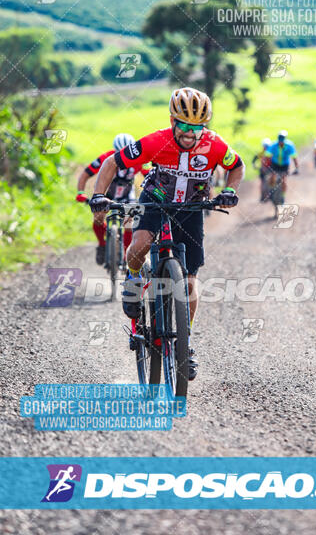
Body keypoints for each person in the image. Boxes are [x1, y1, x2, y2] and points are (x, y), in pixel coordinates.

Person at [89, 87, 245, 380]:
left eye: (197, 127)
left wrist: (229, 190)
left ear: (205, 126)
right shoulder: (156, 141)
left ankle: (185, 345)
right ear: (173, 121)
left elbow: (237, 166)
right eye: (184, 126)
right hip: (155, 200)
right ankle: (134, 278)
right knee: (141, 244)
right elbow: (112, 163)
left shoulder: (214, 145)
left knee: (188, 282)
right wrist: (98, 195)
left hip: (192, 207)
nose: (190, 133)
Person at [76, 133, 148, 266]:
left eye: (127, 153)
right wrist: (81, 192)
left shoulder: (139, 159)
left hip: (127, 194)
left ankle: (127, 256)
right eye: (120, 153)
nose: (124, 157)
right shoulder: (105, 158)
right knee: (98, 217)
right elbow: (85, 174)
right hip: (107, 193)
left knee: (128, 224)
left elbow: (148, 175)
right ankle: (102, 244)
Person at [265, 130, 299, 199]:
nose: (281, 141)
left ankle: (282, 196)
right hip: (275, 164)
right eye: (280, 139)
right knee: (272, 177)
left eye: (282, 139)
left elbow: (294, 158)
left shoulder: (289, 146)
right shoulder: (273, 145)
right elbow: (267, 156)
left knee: (283, 180)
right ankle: (271, 191)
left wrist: (296, 168)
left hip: (284, 165)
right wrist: (267, 166)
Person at [252, 137, 272, 202]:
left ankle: (264, 196)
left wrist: (254, 165)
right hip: (267, 170)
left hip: (265, 170)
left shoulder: (262, 153)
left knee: (264, 182)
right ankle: (265, 196)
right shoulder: (270, 153)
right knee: (265, 183)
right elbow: (254, 159)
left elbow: (254, 159)